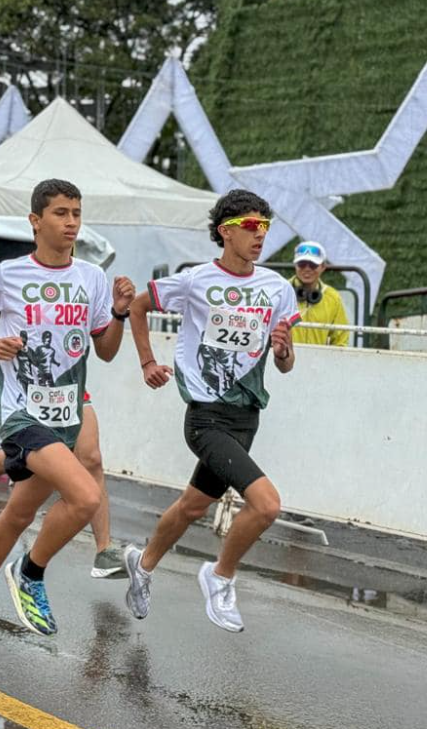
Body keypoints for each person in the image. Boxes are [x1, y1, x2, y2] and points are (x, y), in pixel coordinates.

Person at [0, 179, 135, 650]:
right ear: (35, 221)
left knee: (19, 512)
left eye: (76, 212)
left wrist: (119, 314)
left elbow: (106, 351)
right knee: (86, 497)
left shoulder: (91, 277)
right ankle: (29, 573)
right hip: (20, 411)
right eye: (60, 213)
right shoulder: (10, 274)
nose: (71, 222)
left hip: (66, 411)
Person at [121, 189, 300, 633]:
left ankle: (141, 566)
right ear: (226, 232)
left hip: (246, 417)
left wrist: (282, 351)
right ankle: (219, 576)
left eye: (265, 227)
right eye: (251, 227)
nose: (260, 236)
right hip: (205, 417)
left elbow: (286, 363)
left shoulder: (277, 289)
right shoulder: (196, 280)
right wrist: (147, 362)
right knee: (266, 505)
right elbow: (140, 306)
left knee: (191, 505)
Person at [288, 241, 350, 347]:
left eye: (313, 265)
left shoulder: (333, 298)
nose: (307, 269)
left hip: (319, 362)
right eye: (302, 264)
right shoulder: (280, 291)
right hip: (282, 360)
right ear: (295, 266)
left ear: (323, 267)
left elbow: (341, 340)